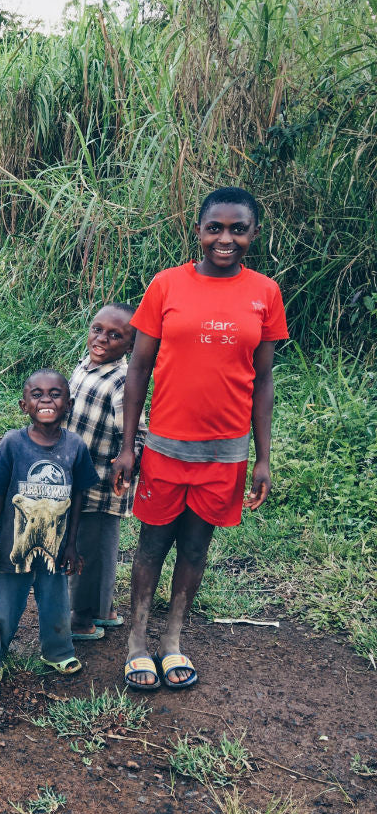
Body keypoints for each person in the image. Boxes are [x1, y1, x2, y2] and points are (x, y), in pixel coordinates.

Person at [113, 187, 288, 691]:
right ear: (198, 231)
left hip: (226, 452)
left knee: (194, 548)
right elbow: (138, 369)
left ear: (253, 234)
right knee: (152, 545)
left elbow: (264, 381)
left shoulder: (266, 293)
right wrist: (129, 447)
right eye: (215, 228)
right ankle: (137, 644)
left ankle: (172, 642)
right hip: (166, 447)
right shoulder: (167, 285)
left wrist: (262, 458)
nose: (225, 238)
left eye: (238, 229)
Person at [0, 370, 98, 688]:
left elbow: (79, 496)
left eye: (55, 394)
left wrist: (72, 545)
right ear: (23, 404)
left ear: (68, 404)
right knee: (5, 604)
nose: (46, 399)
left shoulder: (76, 447)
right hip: (15, 544)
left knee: (56, 599)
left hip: (56, 546)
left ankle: (57, 652)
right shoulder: (13, 444)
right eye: (37, 394)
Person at [67, 303, 146, 639]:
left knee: (92, 549)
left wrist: (127, 460)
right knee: (93, 546)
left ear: (130, 346)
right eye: (97, 329)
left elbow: (137, 432)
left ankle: (82, 618)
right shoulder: (85, 366)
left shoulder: (122, 380)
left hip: (101, 482)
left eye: (116, 335)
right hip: (76, 479)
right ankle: (102, 608)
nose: (102, 339)